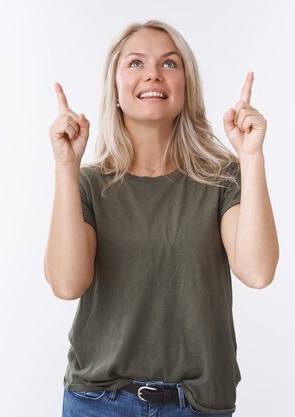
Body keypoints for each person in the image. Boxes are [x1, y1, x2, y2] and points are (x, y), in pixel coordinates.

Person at [45, 19, 279, 416]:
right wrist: (66, 166)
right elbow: (68, 284)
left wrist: (251, 156)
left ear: (186, 87)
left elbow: (257, 272)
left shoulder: (222, 178)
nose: (153, 73)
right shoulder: (88, 184)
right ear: (115, 88)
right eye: (135, 63)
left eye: (169, 64)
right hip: (98, 402)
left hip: (196, 404)